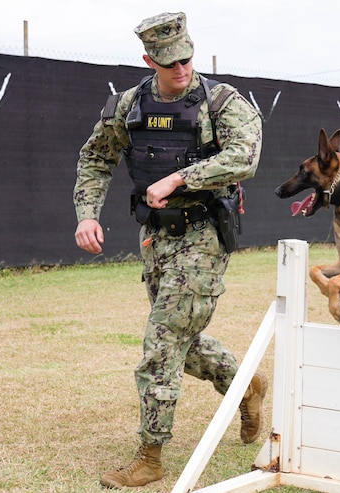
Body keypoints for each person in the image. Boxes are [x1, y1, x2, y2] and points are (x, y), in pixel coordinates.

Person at [72, 11, 265, 489]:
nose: (181, 69)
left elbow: (245, 157)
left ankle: (151, 457)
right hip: (155, 238)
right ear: (148, 60)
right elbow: (96, 156)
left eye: (186, 58)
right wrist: (87, 214)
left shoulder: (221, 102)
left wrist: (182, 177)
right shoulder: (129, 105)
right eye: (169, 62)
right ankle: (244, 385)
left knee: (160, 345)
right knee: (181, 340)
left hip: (203, 235)